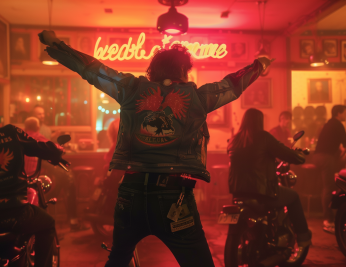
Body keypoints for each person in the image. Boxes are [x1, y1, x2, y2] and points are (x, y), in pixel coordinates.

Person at [38, 29, 271, 267]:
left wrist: (58, 45)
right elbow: (231, 85)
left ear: (153, 70)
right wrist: (260, 65)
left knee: (118, 259)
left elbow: (92, 69)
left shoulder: (131, 89)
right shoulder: (197, 98)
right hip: (174, 196)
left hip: (130, 193)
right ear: (183, 70)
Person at [0, 98, 67, 267]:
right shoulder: (10, 133)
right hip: (17, 214)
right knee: (48, 224)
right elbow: (38, 147)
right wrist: (57, 152)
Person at [227, 108, 310, 265]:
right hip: (261, 193)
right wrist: (299, 156)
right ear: (260, 121)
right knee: (293, 196)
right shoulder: (264, 137)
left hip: (238, 193)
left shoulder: (233, 140)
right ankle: (304, 238)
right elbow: (286, 153)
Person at [24, 117, 87, 232]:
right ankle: (72, 220)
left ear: (25, 127)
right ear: (38, 127)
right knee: (68, 179)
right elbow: (57, 149)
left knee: (60, 180)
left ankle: (51, 200)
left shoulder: (20, 138)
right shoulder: (38, 137)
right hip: (35, 178)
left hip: (20, 179)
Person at [313, 105, 346, 233]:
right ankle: (328, 220)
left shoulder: (329, 123)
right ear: (339, 114)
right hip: (325, 157)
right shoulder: (337, 124)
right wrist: (344, 152)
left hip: (318, 157)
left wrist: (340, 150)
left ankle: (328, 217)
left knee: (326, 187)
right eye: (345, 113)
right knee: (329, 187)